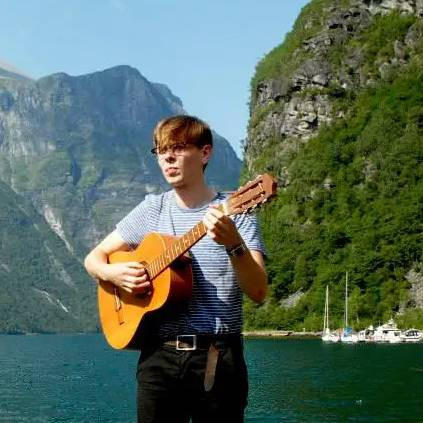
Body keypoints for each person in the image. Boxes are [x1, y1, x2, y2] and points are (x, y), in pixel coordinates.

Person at [84, 115, 268, 423]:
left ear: (205, 153)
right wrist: (114, 274)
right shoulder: (151, 209)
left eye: (179, 148)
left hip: (218, 357)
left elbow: (258, 291)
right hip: (158, 358)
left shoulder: (237, 213)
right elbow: (94, 258)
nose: (167, 157)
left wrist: (234, 244)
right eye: (161, 150)